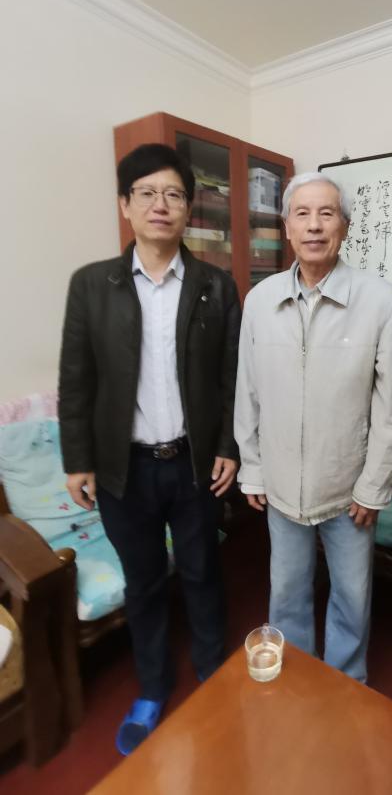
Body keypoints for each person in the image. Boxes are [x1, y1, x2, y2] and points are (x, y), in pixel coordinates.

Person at [58, 143, 240, 754]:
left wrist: (228, 446)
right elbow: (76, 379)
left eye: (174, 195)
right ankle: (153, 686)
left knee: (203, 571)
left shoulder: (216, 285)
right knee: (143, 581)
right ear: (125, 205)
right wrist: (77, 460)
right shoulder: (91, 285)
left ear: (188, 209)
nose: (161, 205)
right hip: (124, 469)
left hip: (193, 463)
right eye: (147, 193)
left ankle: (213, 671)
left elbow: (231, 377)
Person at [234, 172, 392, 683]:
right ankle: (299, 687)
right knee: (287, 594)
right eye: (302, 214)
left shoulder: (380, 300)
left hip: (349, 489)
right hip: (281, 484)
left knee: (352, 598)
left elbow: (391, 404)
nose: (314, 226)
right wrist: (253, 469)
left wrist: (374, 486)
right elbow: (248, 391)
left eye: (326, 214)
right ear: (286, 226)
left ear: (345, 227)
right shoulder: (260, 299)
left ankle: (345, 686)